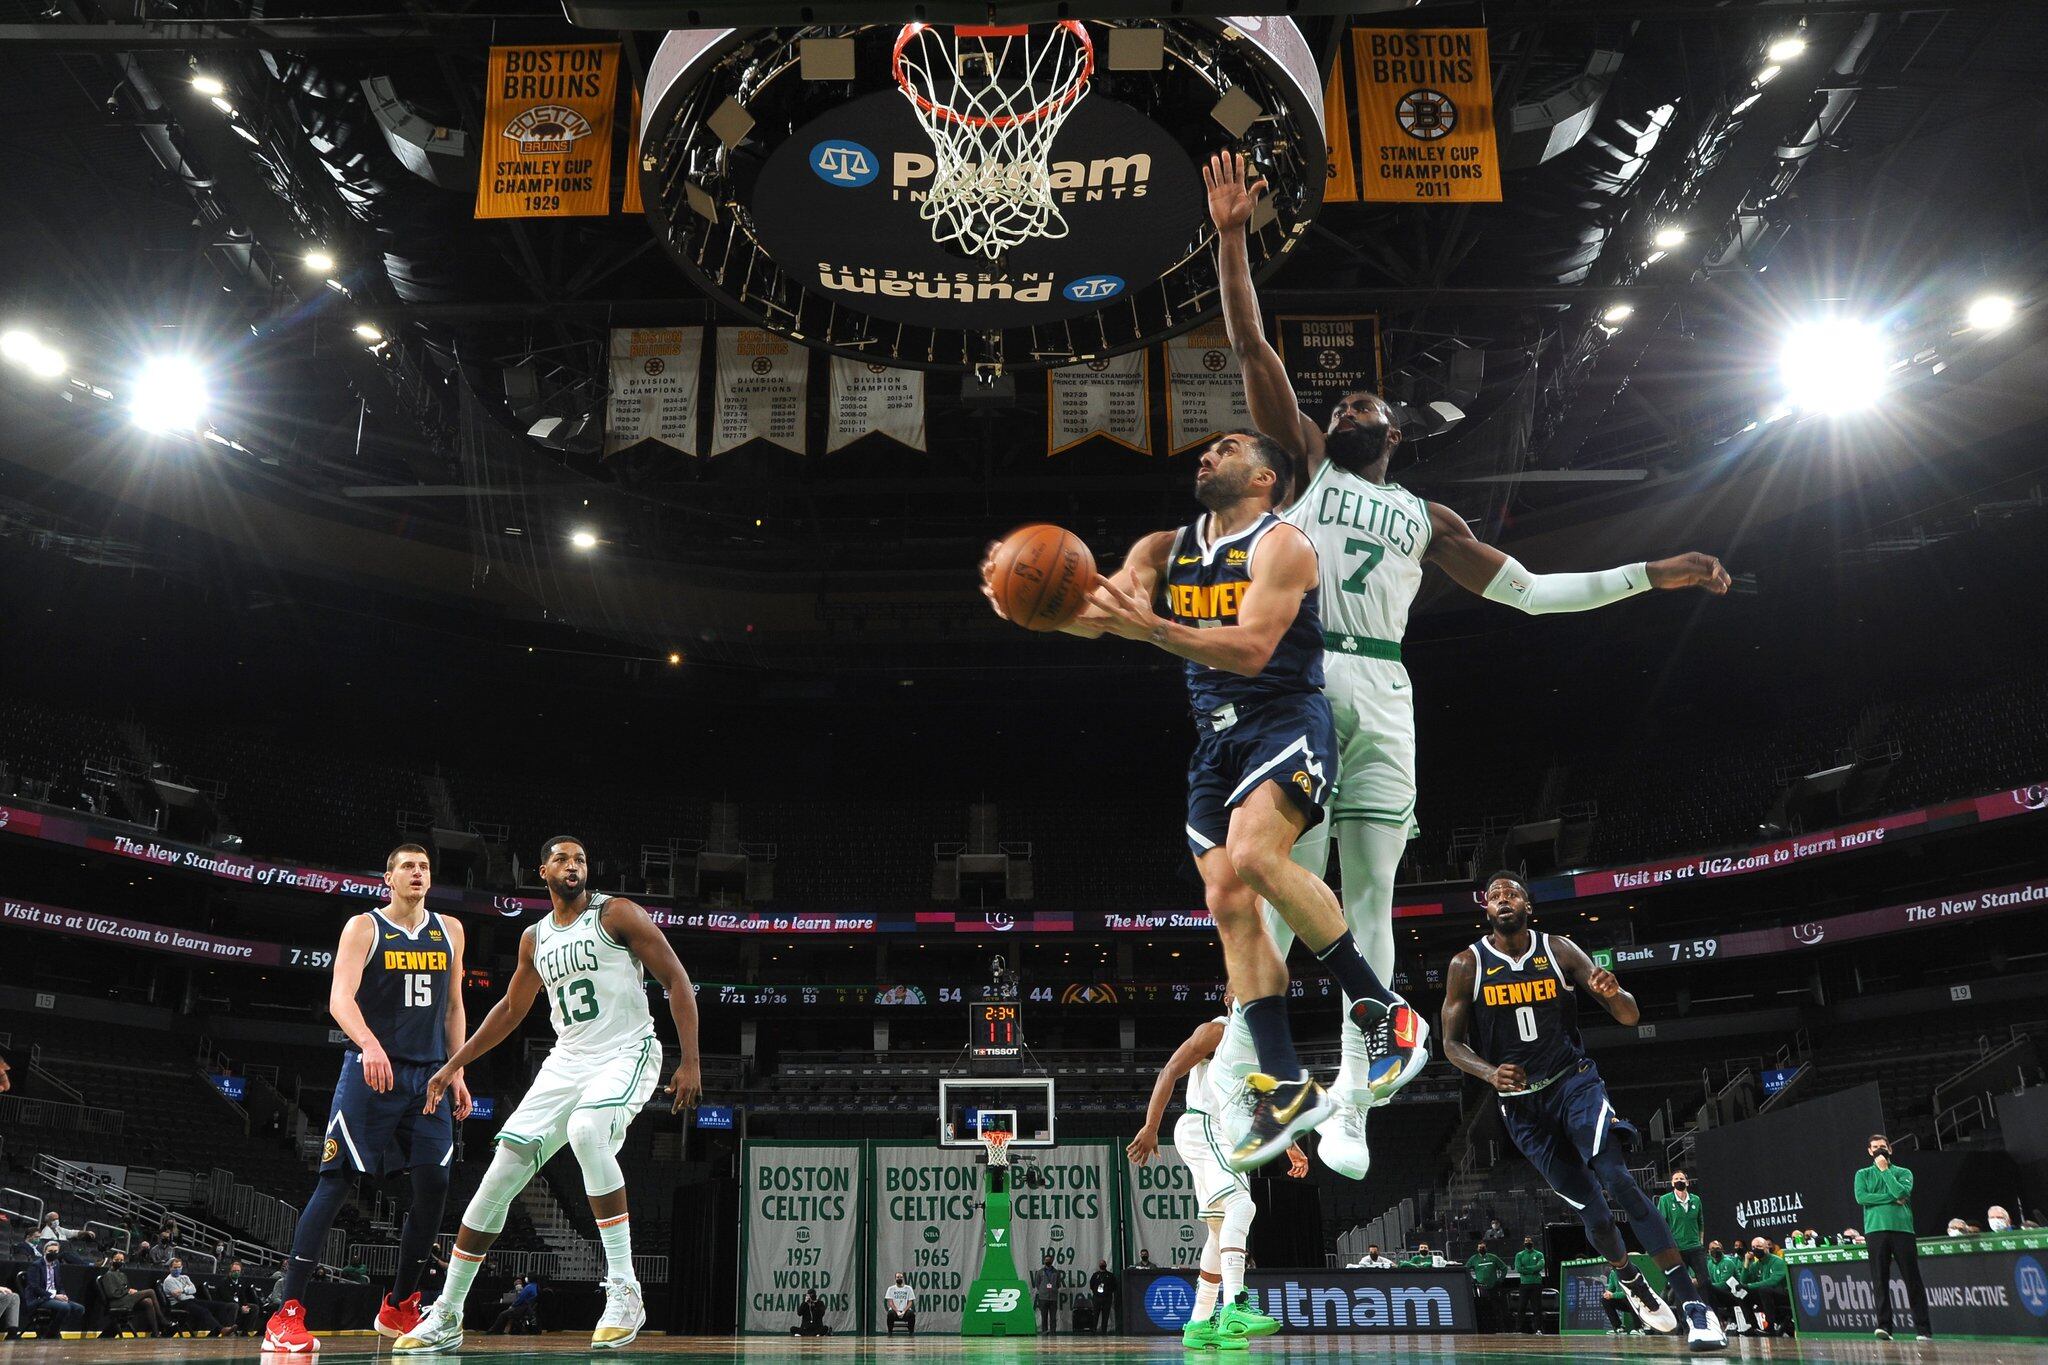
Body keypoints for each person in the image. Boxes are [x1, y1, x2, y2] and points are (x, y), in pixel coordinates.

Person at [1203, 149, 1732, 1181]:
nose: (1345, 405)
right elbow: (1250, 345)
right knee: (1274, 883)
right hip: (1305, 680)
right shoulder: (1303, 465)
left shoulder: (1427, 519)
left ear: (1394, 432)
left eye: (1362, 403)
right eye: (1338, 403)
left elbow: (1531, 592)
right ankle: (1241, 1070)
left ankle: (1355, 1100)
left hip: (1385, 689)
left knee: (1369, 892)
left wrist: (1649, 573)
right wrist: (1231, 240)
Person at [988, 431, 1418, 1171]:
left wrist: (1154, 628)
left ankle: (1384, 1011)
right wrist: (1015, 597)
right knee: (1227, 900)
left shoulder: (1285, 547)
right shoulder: (1163, 548)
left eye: (1228, 447)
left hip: (1285, 718)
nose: (1208, 454)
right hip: (1215, 741)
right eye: (1208, 448)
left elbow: (1252, 650)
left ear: (1264, 477)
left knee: (1253, 855)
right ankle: (1287, 1083)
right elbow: (1100, 611)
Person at [397, 836, 702, 1354]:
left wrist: (690, 1060)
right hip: (566, 1061)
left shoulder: (617, 913)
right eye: (562, 859)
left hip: (626, 1051)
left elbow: (676, 979)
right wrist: (453, 1065)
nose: (572, 865)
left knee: (587, 1129)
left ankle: (625, 1289)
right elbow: (509, 1011)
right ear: (543, 872)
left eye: (580, 858)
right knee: (500, 1172)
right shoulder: (534, 938)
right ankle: (447, 1312)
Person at [1441, 871, 1725, 1350]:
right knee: (1594, 1215)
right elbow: (1450, 1045)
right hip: (1522, 1107)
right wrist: (1488, 1073)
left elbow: (1630, 1016)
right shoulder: (1467, 964)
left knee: (1619, 1180)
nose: (1503, 899)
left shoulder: (1559, 949)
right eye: (1494, 895)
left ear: (1529, 906)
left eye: (1513, 893)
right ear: (1486, 909)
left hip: (1574, 1084)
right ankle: (1630, 1278)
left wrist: (1614, 993)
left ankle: (1696, 1308)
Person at [262, 843, 470, 1354]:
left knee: (435, 1184)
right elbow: (340, 998)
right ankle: (287, 1313)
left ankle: (399, 1305)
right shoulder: (364, 927)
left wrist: (457, 1069)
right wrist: (370, 1044)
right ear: (388, 878)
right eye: (407, 867)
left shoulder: (451, 929)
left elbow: (453, 1007)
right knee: (336, 1182)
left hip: (428, 1077)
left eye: (424, 867)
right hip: (371, 1073)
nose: (417, 873)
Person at [1128, 1008, 1301, 1349]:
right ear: (1228, 999)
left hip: (1227, 1135)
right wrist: (1150, 1126)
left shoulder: (1258, 1047)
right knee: (1242, 1206)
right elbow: (1170, 1070)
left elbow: (1262, 1102)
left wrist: (1290, 1145)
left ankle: (1199, 1322)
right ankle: (1235, 1306)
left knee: (1219, 1228)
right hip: (1205, 1125)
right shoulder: (1217, 1031)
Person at [1856, 1132, 1931, 1341]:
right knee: (1880, 1280)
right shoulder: (1862, 1174)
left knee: (1912, 1279)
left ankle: (1923, 1329)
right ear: (1869, 1151)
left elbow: (1902, 1193)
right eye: (1875, 1147)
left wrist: (1885, 1171)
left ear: (1889, 1149)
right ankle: (1884, 1327)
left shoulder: (1903, 1172)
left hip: (1902, 1230)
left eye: (1882, 1146)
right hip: (1875, 1231)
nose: (1879, 1150)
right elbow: (1861, 1197)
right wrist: (1892, 1197)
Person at [1659, 1169, 1709, 1291]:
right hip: (1677, 1249)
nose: (1679, 1181)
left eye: (1681, 1179)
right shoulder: (1665, 1200)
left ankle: (1706, 1303)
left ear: (1687, 1182)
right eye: (1676, 1179)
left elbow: (1700, 1222)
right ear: (1672, 1183)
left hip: (1695, 1247)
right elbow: (1661, 1224)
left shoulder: (1696, 1199)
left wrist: (1700, 1241)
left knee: (1705, 1281)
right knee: (1679, 1284)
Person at [97, 1251, 169, 1337]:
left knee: (148, 1301)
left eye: (121, 1260)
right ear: (111, 1260)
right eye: (117, 1260)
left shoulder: (122, 1274)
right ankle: (162, 1320)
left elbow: (126, 1288)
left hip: (126, 1299)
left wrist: (129, 1290)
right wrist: (127, 1291)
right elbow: (111, 1294)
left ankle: (155, 1333)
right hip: (117, 1302)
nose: (120, 1262)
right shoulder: (108, 1275)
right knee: (150, 1291)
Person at [24, 1244, 84, 1336]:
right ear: (44, 1252)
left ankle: (53, 1329)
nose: (53, 1253)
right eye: (50, 1251)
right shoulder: (36, 1265)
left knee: (79, 1309)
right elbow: (35, 1287)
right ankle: (52, 1333)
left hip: (55, 1297)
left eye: (55, 1251)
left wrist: (63, 1295)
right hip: (40, 1298)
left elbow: (59, 1284)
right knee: (65, 1307)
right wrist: (54, 1296)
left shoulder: (56, 1264)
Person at [161, 1257, 232, 1336]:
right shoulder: (169, 1280)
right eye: (175, 1267)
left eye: (179, 1267)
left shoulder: (185, 1277)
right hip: (179, 1303)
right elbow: (180, 1297)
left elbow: (194, 1289)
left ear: (182, 1267)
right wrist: (187, 1289)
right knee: (204, 1311)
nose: (177, 1269)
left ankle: (217, 1332)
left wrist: (183, 1290)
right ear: (170, 1268)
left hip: (192, 1300)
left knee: (221, 1306)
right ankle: (222, 1330)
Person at [1739, 1239, 1793, 1337]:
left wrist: (1749, 1286)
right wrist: (1746, 1262)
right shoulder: (1755, 1265)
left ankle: (1770, 1327)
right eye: (1753, 1247)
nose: (1756, 1249)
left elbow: (1773, 1282)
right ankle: (1753, 1326)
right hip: (1766, 1296)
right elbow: (1743, 1281)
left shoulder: (1777, 1261)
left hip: (1783, 1295)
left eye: (1759, 1246)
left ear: (1766, 1247)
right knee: (1742, 1294)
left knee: (1764, 1289)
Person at [1705, 1241, 1753, 1336]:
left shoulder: (1728, 1262)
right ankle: (1713, 1322)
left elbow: (1724, 1284)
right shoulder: (1710, 1263)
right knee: (1706, 1292)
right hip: (1720, 1294)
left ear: (1722, 1250)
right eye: (1712, 1249)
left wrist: (1708, 1286)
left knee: (1708, 1289)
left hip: (1735, 1294)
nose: (1715, 1251)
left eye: (1717, 1248)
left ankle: (1722, 1321)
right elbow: (1711, 1281)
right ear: (1709, 1251)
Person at [1466, 1241, 1509, 1333]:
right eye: (1480, 1247)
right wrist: (1472, 1280)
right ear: (1477, 1249)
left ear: (1486, 1248)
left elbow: (1504, 1268)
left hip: (1493, 1287)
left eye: (1483, 1247)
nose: (1481, 1249)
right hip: (1482, 1288)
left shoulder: (1493, 1257)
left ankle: (1499, 1328)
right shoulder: (1474, 1259)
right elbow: (1466, 1269)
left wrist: (1500, 1279)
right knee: (1484, 1309)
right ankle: (1485, 1328)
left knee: (1496, 1308)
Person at [217, 1261, 265, 1337]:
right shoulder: (224, 1282)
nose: (236, 1273)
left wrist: (245, 1306)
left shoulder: (241, 1282)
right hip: (226, 1304)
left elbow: (242, 1297)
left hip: (238, 1304)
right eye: (234, 1271)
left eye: (238, 1271)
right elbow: (227, 1298)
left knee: (254, 1307)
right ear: (230, 1271)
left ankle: (246, 1331)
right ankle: (230, 1330)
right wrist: (240, 1307)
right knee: (234, 1306)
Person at [1511, 1238, 1546, 1334]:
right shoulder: (1519, 1255)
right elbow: (1519, 1269)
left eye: (1529, 1241)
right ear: (1524, 1243)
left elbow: (1540, 1266)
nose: (1528, 1243)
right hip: (1524, 1284)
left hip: (1536, 1284)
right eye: (1526, 1241)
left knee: (1537, 1307)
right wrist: (1533, 1270)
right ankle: (1518, 1329)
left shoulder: (1539, 1254)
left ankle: (1538, 1329)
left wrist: (1526, 1269)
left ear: (1532, 1243)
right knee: (1521, 1307)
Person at [1600, 1267, 1639, 1335]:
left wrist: (1613, 1295)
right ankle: (1618, 1328)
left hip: (1637, 1302)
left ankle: (1639, 1328)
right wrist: (1607, 1294)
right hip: (1624, 1302)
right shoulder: (1613, 1272)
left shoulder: (1629, 1270)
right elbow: (1611, 1288)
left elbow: (1628, 1292)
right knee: (1605, 1300)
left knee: (1629, 1298)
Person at [1033, 1254, 1062, 1336]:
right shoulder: (1040, 1272)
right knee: (1044, 1316)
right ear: (1044, 1261)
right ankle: (1044, 1332)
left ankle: (1053, 1332)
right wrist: (1042, 1290)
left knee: (1053, 1317)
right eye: (1046, 1260)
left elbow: (1058, 1284)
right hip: (1043, 1298)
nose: (1048, 1261)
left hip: (1053, 1298)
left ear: (1052, 1261)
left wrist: (1053, 1289)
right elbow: (1037, 1283)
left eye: (1049, 1260)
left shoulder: (1056, 1272)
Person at [1088, 1260, 1117, 1334]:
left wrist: (1108, 1292)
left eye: (1103, 1264)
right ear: (1099, 1265)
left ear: (1106, 1265)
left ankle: (1104, 1331)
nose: (1102, 1265)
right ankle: (1094, 1330)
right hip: (1097, 1298)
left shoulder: (1110, 1275)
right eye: (1101, 1264)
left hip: (1107, 1298)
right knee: (1095, 1314)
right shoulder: (1095, 1275)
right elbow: (1091, 1285)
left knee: (1105, 1315)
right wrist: (1096, 1292)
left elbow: (1114, 1286)